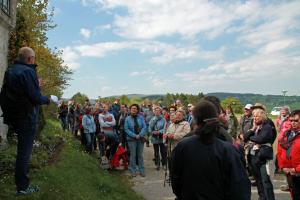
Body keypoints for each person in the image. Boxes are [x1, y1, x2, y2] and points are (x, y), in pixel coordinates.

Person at [170, 100, 251, 200]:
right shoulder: (228, 149)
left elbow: (175, 180)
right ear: (216, 118)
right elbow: (239, 188)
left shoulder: (182, 146)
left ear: (196, 120)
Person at [0, 47, 50, 195]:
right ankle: (22, 187)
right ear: (30, 59)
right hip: (26, 118)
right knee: (24, 154)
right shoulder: (28, 71)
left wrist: (36, 85)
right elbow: (35, 98)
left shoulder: (11, 70)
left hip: (14, 116)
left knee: (21, 152)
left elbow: (17, 92)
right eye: (33, 59)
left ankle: (21, 185)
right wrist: (48, 99)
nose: (34, 61)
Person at [244, 108, 275, 200]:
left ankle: (269, 198)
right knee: (258, 180)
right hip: (254, 157)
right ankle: (262, 197)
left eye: (257, 116)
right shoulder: (255, 127)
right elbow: (245, 137)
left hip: (263, 157)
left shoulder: (267, 126)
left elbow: (261, 139)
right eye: (254, 116)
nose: (255, 118)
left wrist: (251, 137)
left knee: (265, 180)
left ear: (262, 116)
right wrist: (252, 129)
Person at [277, 109, 300, 200]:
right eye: (291, 120)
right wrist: (282, 167)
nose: (293, 123)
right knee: (294, 195)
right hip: (289, 173)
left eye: (296, 121)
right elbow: (279, 152)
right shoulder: (286, 134)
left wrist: (295, 169)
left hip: (297, 172)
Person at [124, 104, 147, 177]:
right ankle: (133, 170)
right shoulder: (127, 119)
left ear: (137, 110)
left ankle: (141, 170)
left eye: (135, 108)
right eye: (132, 108)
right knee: (133, 155)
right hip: (131, 139)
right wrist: (134, 135)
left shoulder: (141, 117)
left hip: (140, 139)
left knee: (140, 155)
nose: (134, 109)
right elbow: (126, 129)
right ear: (130, 110)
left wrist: (140, 135)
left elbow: (144, 127)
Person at [149, 106, 167, 170]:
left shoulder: (163, 119)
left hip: (161, 137)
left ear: (160, 111)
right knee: (156, 152)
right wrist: (153, 132)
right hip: (155, 138)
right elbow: (150, 128)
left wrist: (159, 132)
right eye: (155, 110)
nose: (156, 112)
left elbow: (165, 128)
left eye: (158, 110)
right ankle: (157, 164)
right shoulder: (152, 119)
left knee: (163, 152)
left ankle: (164, 164)